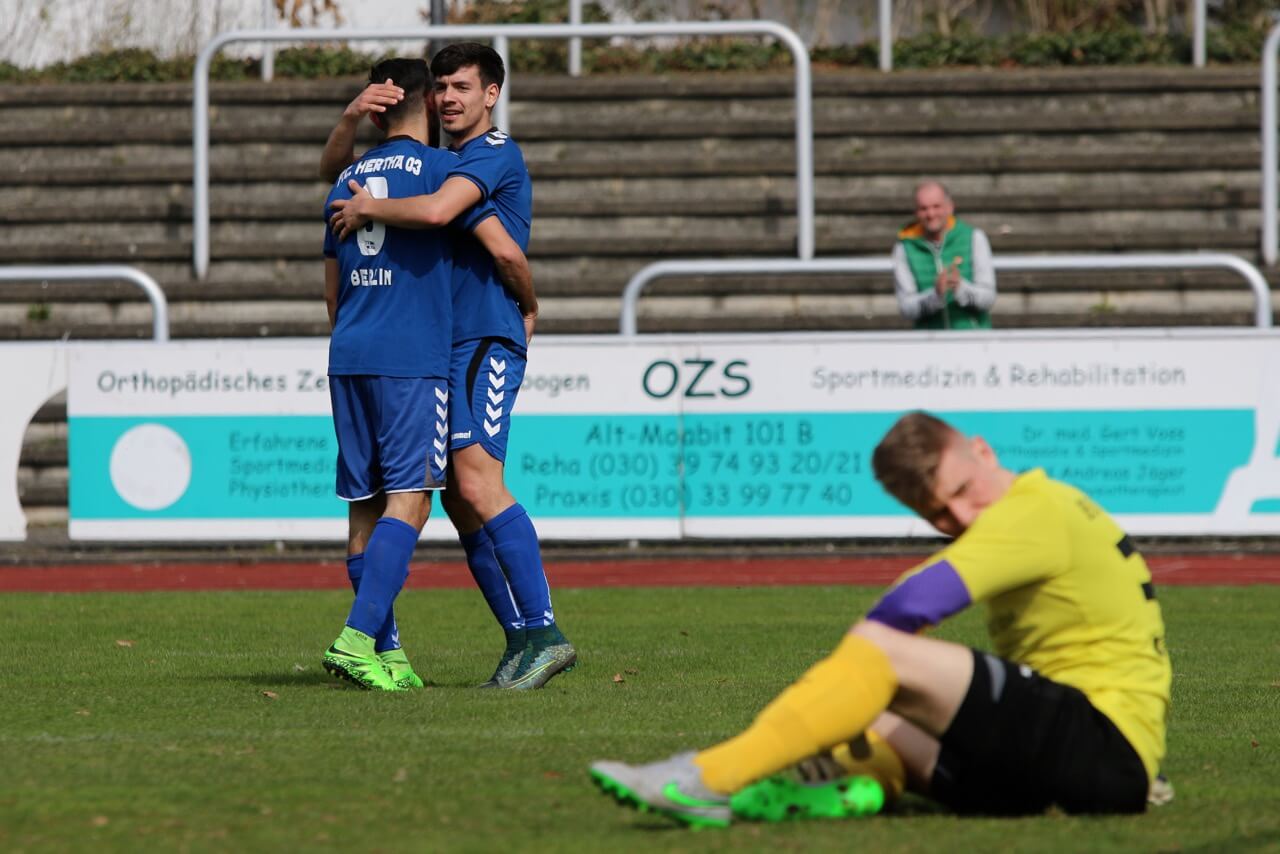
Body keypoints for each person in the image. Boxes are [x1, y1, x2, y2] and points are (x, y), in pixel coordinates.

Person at [590, 411, 1171, 826]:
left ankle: (706, 777)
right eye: (938, 512)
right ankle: (850, 788)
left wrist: (851, 670)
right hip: (1077, 762)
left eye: (964, 489)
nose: (961, 515)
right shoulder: (1037, 510)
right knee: (873, 718)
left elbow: (908, 607)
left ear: (984, 450)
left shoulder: (1033, 510)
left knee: (881, 654)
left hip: (1102, 745)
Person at [321, 43, 576, 691]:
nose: (449, 97)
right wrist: (351, 122)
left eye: (463, 86)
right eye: (440, 87)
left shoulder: (487, 155)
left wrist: (528, 305)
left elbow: (499, 248)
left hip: (482, 338)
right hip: (437, 347)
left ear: (492, 93)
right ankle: (519, 640)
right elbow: (335, 173)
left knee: (472, 480)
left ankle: (542, 631)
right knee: (458, 499)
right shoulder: (442, 163)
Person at [893, 182, 996, 329]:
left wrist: (961, 288)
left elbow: (989, 297)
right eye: (924, 208)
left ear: (950, 207)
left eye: (936, 206)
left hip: (974, 341)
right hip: (929, 343)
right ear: (916, 212)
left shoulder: (974, 237)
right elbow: (905, 307)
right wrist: (935, 296)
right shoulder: (904, 247)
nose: (931, 214)